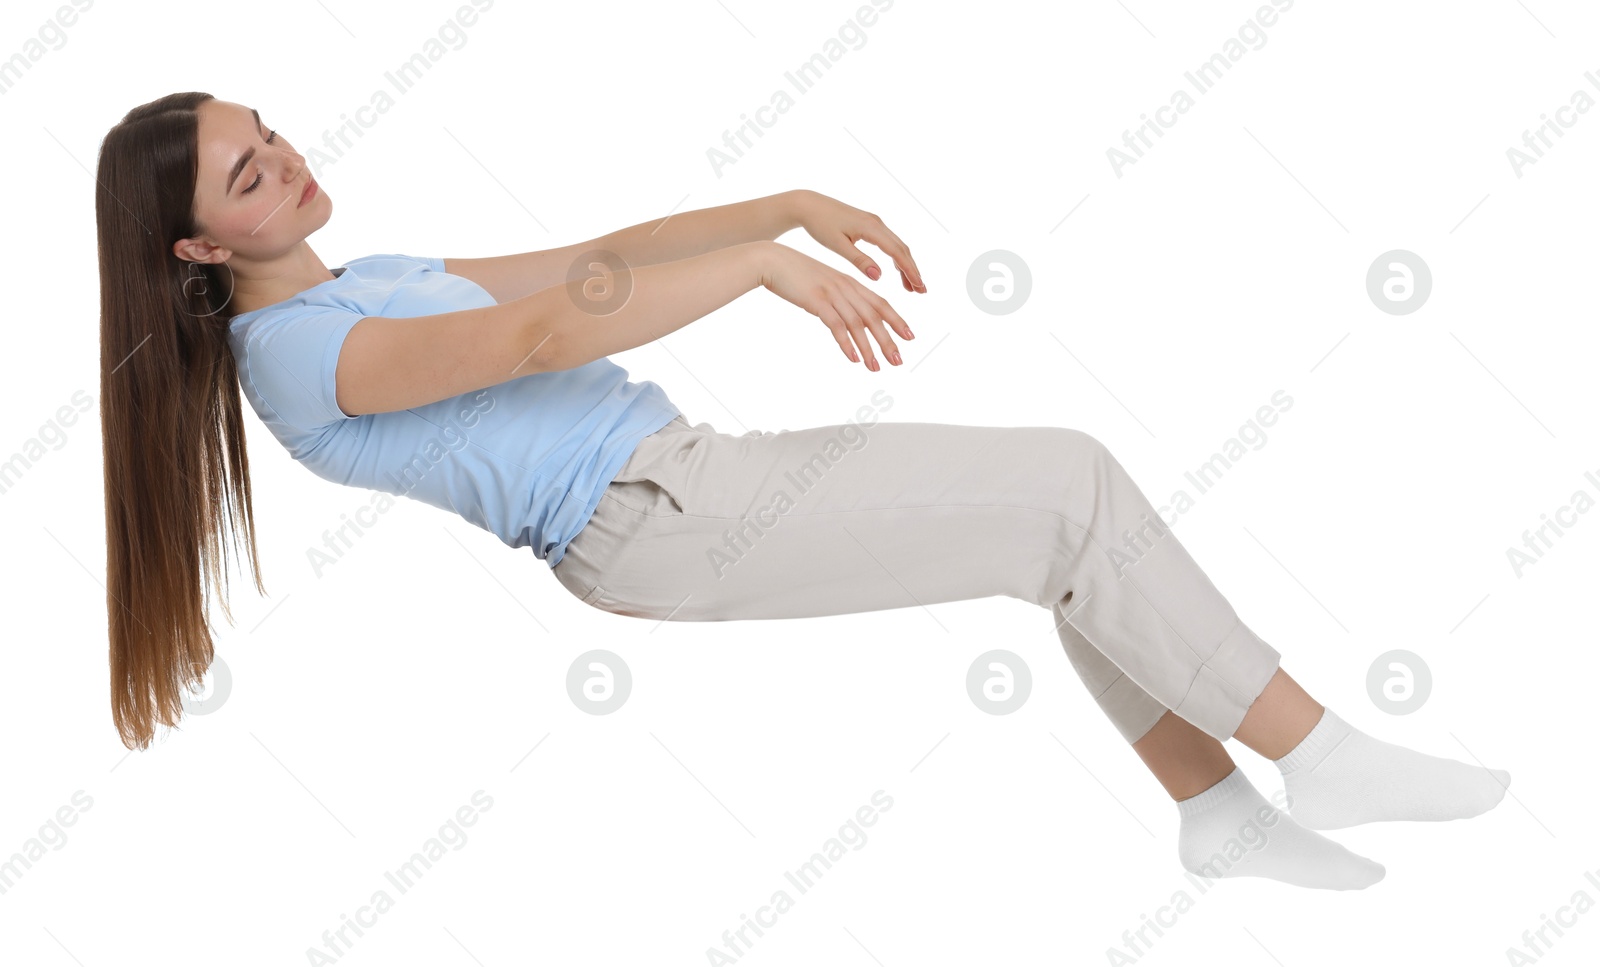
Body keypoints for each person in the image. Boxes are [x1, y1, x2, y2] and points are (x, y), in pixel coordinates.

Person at [95, 92, 1510, 887]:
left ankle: (1221, 805)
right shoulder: (300, 357)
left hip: (680, 492)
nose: (281, 158)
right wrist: (759, 275)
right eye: (244, 172)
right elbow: (542, 333)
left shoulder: (369, 279)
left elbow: (585, 259)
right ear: (195, 251)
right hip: (654, 522)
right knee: (1069, 485)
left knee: (1058, 536)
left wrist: (768, 209)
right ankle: (1317, 750)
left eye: (266, 131)